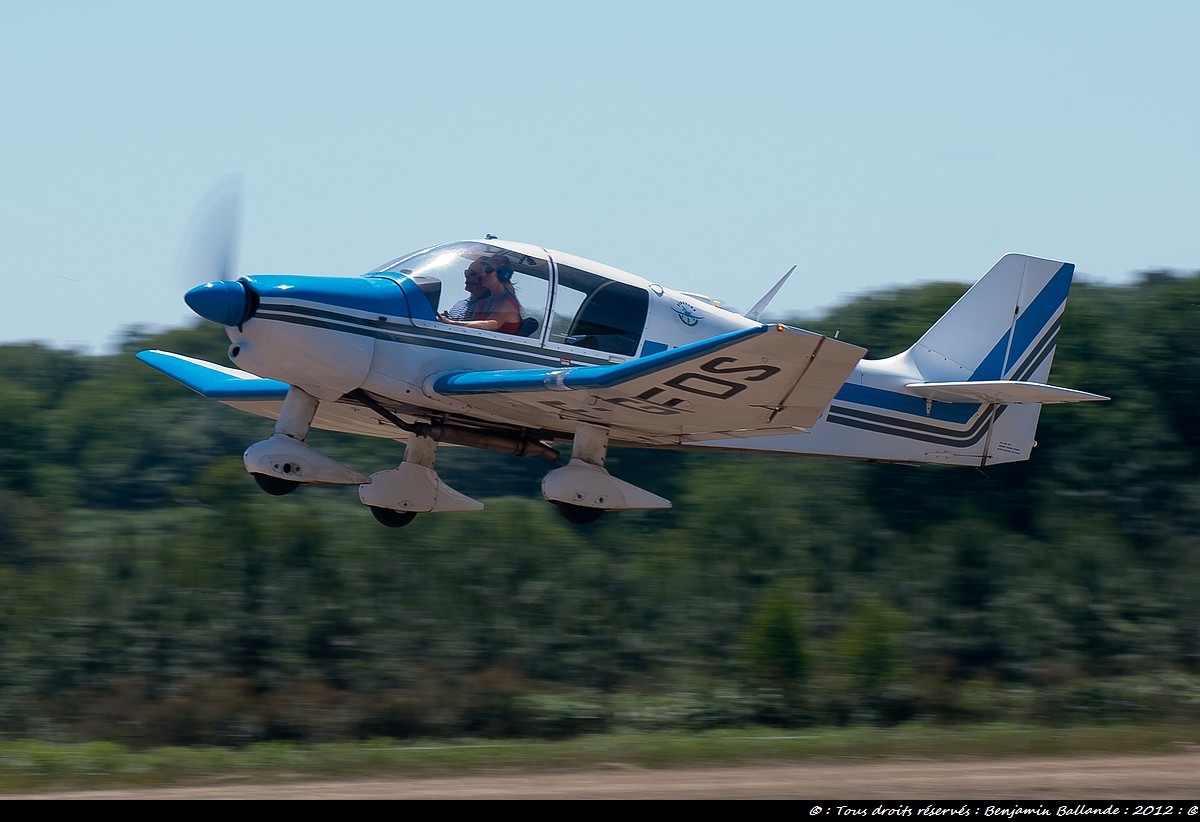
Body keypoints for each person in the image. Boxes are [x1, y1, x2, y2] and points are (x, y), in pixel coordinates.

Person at [438, 254, 524, 334]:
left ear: (502, 275)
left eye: (488, 270)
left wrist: (453, 323)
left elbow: (492, 324)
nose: (483, 274)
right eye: (483, 270)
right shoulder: (483, 303)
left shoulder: (506, 304)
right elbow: (472, 329)